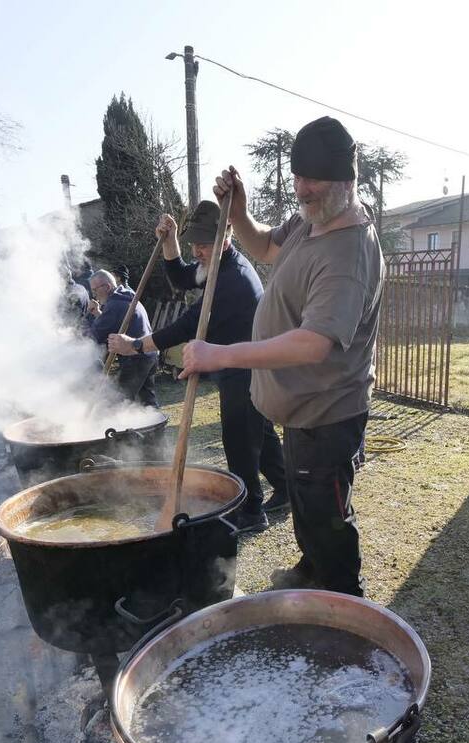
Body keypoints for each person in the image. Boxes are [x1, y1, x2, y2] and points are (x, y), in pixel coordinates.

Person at [176, 116, 383, 597]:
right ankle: (313, 568)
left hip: (327, 412)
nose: (302, 189)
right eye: (297, 177)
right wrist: (240, 212)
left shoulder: (347, 254)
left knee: (328, 513)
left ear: (346, 181)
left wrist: (222, 355)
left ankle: (343, 598)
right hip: (300, 407)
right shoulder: (314, 219)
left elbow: (314, 344)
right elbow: (265, 247)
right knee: (307, 502)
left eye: (314, 180)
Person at [108, 201, 288, 534]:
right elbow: (181, 275)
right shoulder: (215, 264)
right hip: (237, 363)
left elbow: (185, 326)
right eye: (194, 243)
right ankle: (286, 487)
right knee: (258, 433)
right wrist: (170, 240)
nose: (197, 251)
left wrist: (134, 345)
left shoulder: (233, 280)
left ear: (226, 238)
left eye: (203, 244)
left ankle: (251, 512)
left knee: (239, 439)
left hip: (246, 367)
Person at [86, 269, 158, 407]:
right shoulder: (125, 296)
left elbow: (95, 335)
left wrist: (75, 339)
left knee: (119, 402)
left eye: (95, 290)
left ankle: (117, 427)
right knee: (147, 401)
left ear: (107, 287)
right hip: (149, 353)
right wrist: (98, 313)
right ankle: (156, 427)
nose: (94, 294)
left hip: (136, 358)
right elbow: (116, 323)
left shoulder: (115, 305)